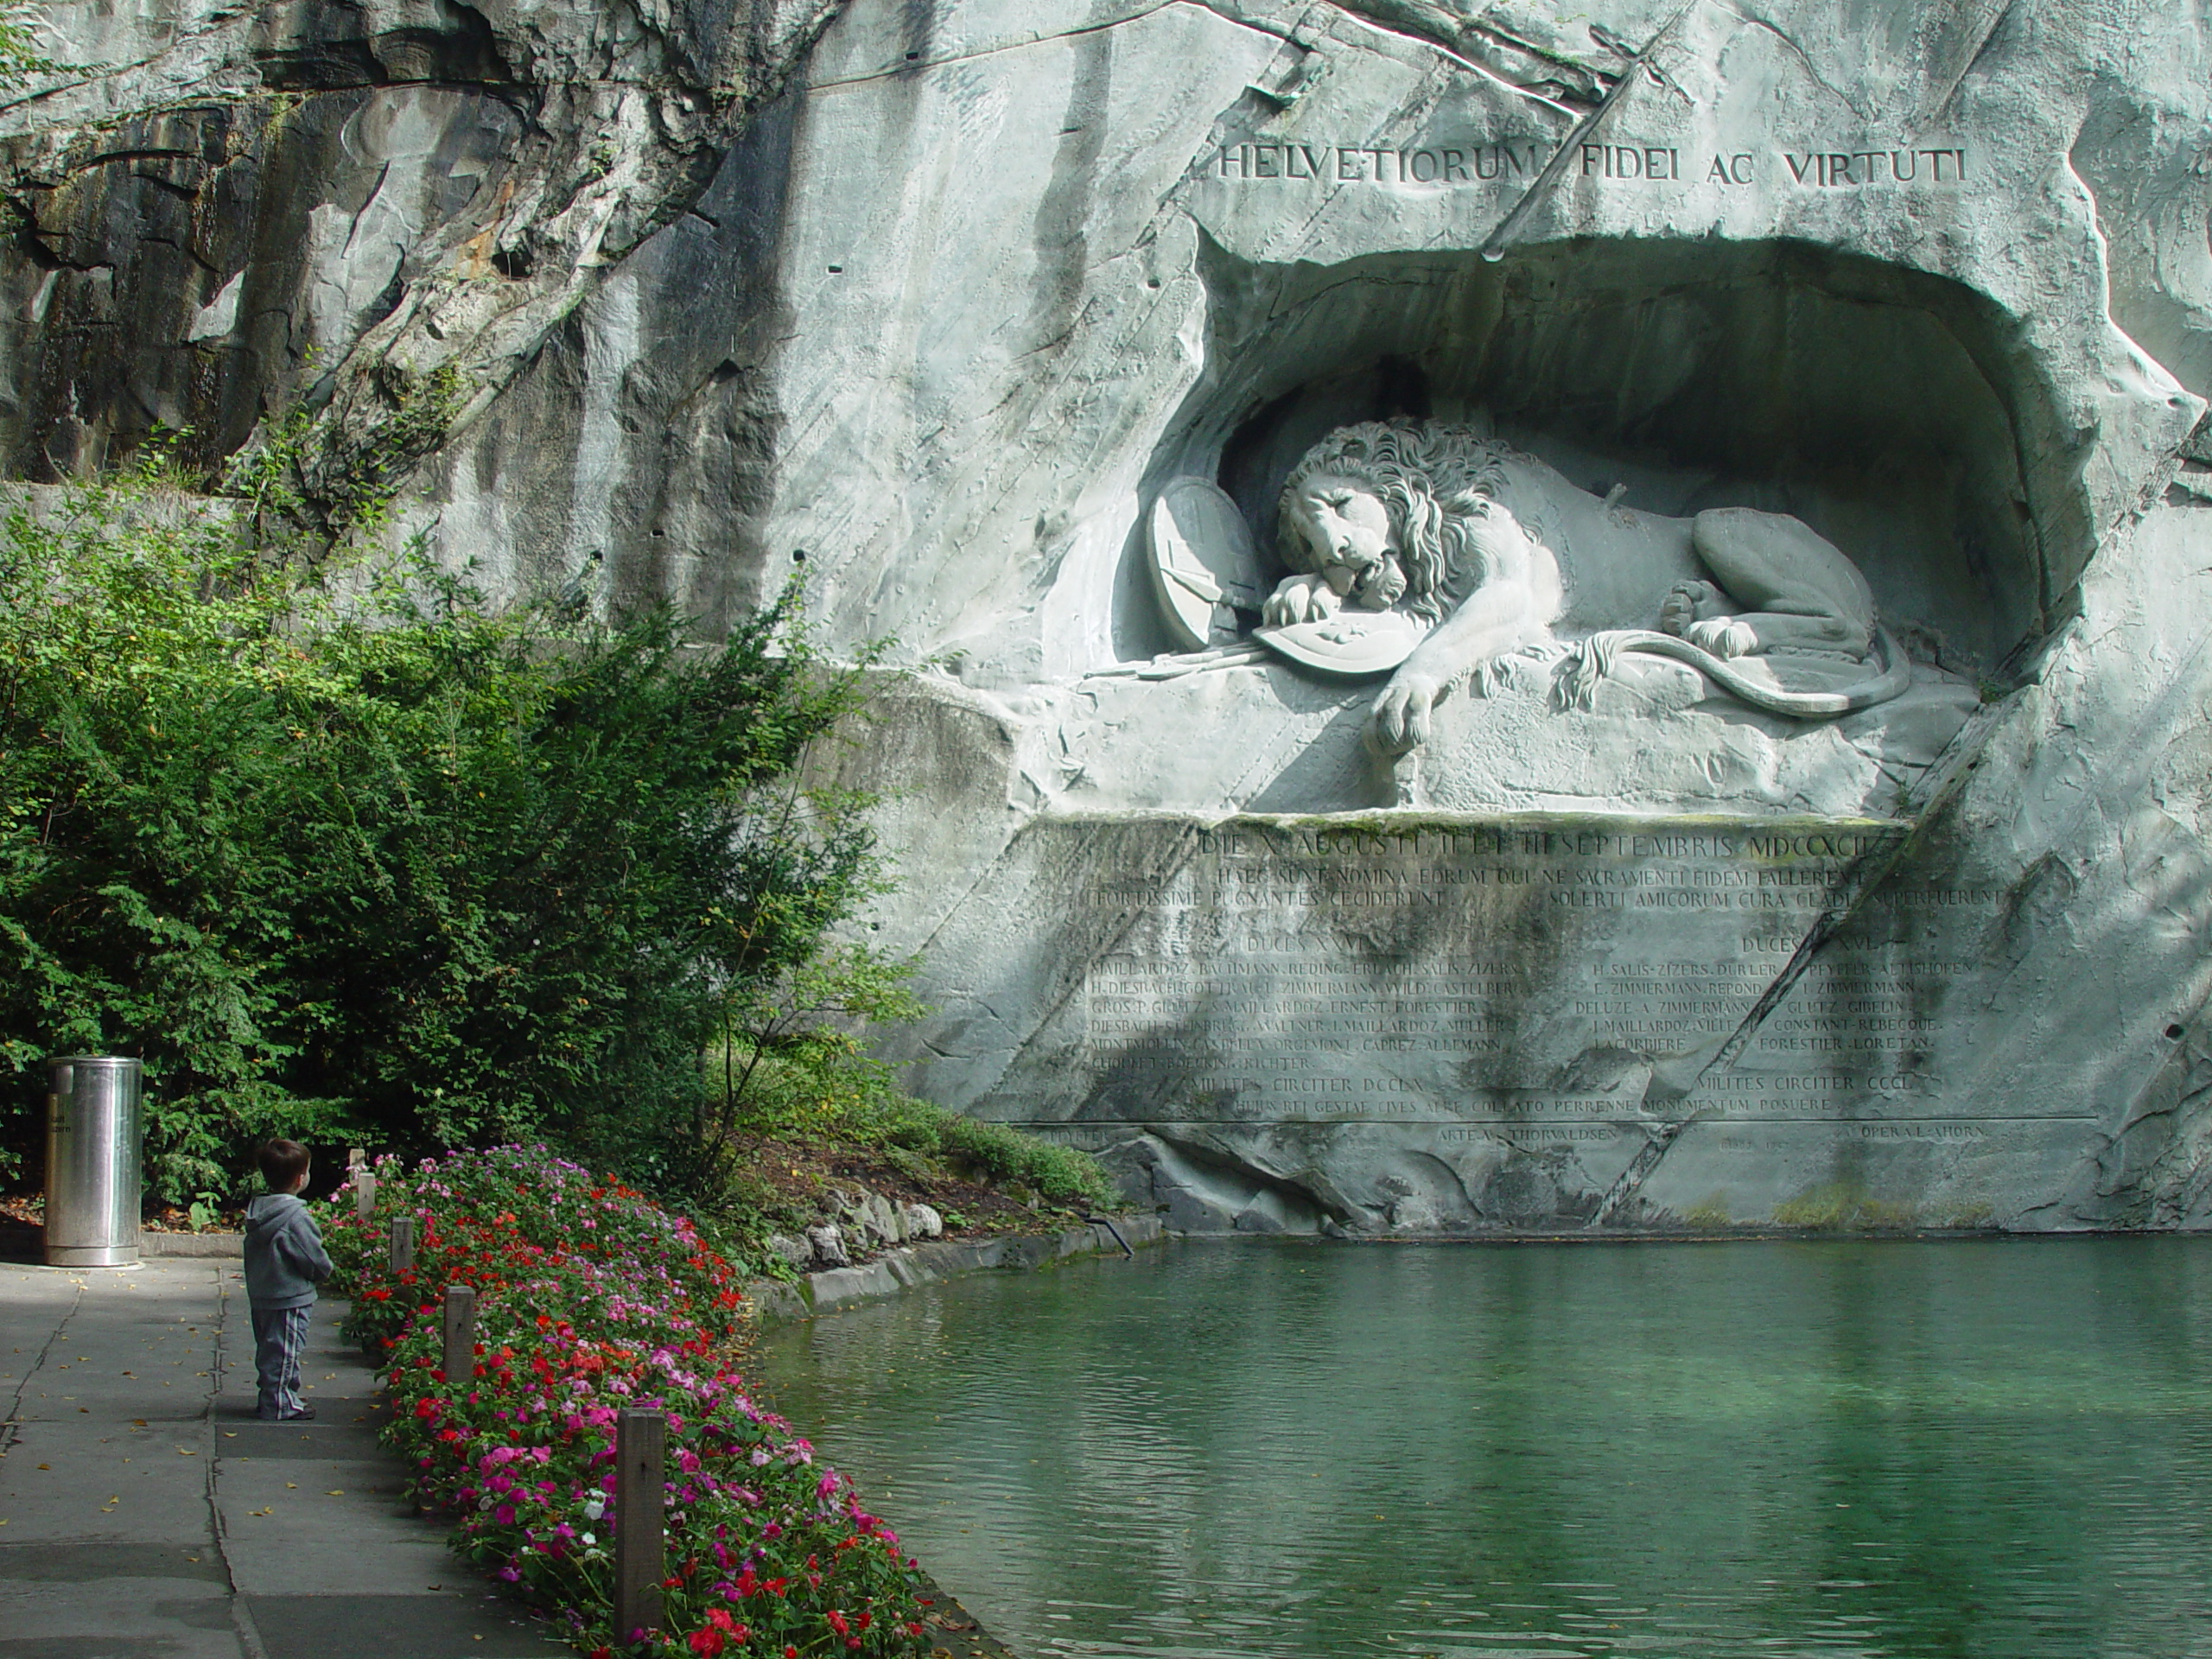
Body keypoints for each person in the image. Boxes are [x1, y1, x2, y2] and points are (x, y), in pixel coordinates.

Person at [243, 1139, 334, 1421]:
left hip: (263, 1293)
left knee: (271, 1348)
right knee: (286, 1351)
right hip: (290, 1296)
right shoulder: (294, 1216)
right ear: (300, 1178)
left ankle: (277, 1394)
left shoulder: (259, 1210)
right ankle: (279, 1403)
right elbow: (312, 1255)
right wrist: (324, 1272)